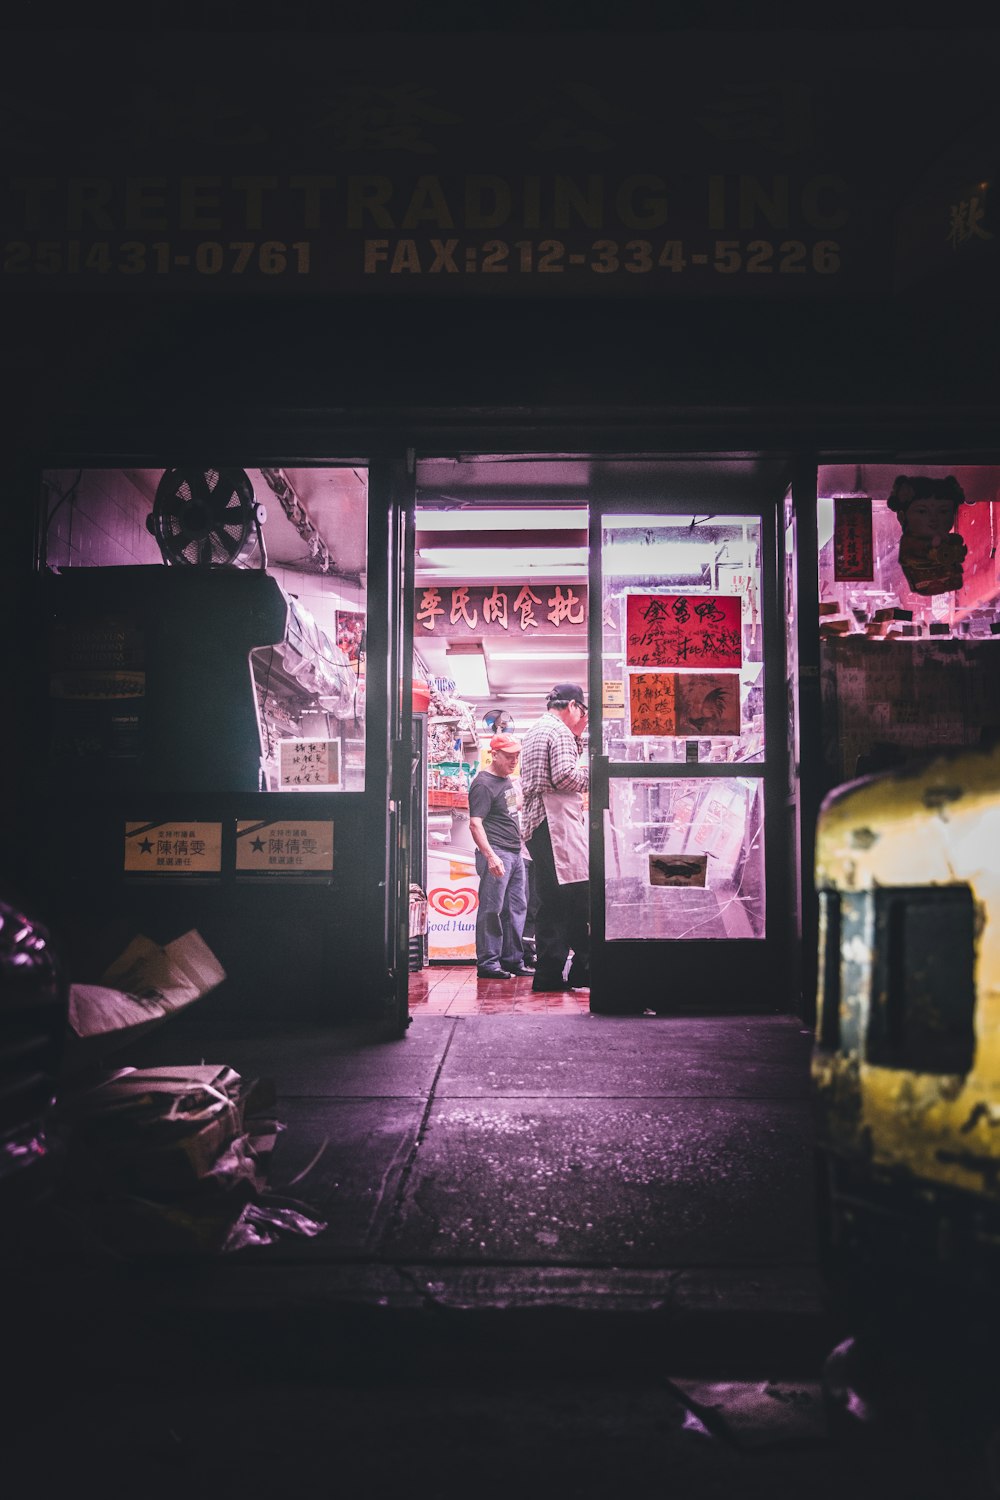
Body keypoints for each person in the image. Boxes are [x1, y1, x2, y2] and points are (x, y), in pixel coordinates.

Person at [520, 684, 590, 993]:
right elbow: (565, 776)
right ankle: (578, 969)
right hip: (555, 821)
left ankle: (550, 974)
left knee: (551, 899)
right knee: (573, 896)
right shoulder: (559, 731)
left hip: (538, 822)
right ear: (573, 706)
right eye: (582, 711)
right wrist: (594, 774)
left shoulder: (536, 729)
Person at [467, 733, 534, 980]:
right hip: (497, 852)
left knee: (517, 908)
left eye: (516, 755)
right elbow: (475, 824)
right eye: (508, 756)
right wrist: (491, 856)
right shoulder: (483, 784)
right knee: (492, 909)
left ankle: (513, 960)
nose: (514, 760)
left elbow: (511, 810)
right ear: (494, 754)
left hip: (515, 853)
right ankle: (488, 963)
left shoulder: (506, 780)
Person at [887, 474, 968, 596]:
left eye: (943, 511)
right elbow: (910, 556)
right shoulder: (909, 543)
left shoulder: (942, 539)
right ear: (902, 516)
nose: (933, 519)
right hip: (924, 578)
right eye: (922, 511)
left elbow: (956, 542)